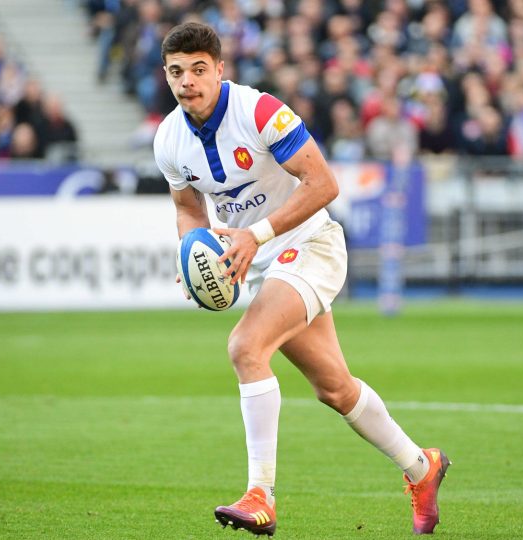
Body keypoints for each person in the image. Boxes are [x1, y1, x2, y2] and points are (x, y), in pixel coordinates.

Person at [153, 22, 450, 537]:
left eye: (199, 69)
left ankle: (260, 495)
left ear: (220, 70)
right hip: (265, 263)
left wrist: (256, 235)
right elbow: (187, 209)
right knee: (334, 388)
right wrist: (190, 255)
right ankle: (423, 467)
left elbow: (324, 183)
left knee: (246, 347)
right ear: (166, 74)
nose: (187, 82)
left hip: (310, 246)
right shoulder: (168, 139)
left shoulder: (259, 111)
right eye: (177, 72)